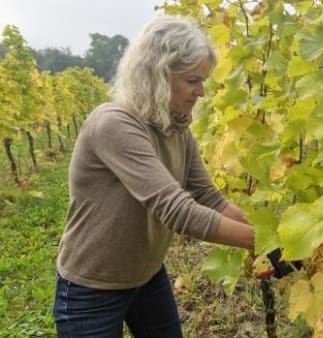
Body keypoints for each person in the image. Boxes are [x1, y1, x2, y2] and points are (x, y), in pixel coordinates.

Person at [52, 15, 255, 337]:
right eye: (192, 81)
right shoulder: (114, 124)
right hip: (91, 286)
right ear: (158, 75)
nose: (201, 92)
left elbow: (207, 196)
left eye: (203, 80)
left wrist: (269, 236)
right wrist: (260, 243)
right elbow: (176, 209)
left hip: (146, 276)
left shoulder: (175, 128)